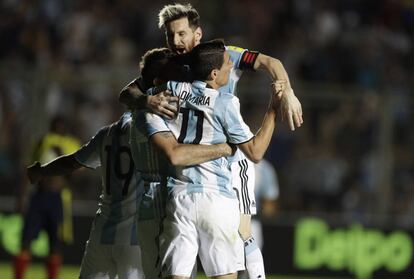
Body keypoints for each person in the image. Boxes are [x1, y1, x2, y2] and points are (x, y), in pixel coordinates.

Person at [119, 4, 302, 278]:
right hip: (189, 174)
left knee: (244, 230)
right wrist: (147, 100)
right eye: (171, 36)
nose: (176, 41)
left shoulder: (224, 55)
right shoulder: (170, 67)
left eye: (182, 34)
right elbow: (127, 92)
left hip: (228, 163)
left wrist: (287, 91)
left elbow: (271, 63)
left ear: (198, 33)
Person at [26, 108, 234, 279]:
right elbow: (179, 157)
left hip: (102, 233)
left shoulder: (106, 134)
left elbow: (72, 162)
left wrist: (42, 171)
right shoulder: (152, 135)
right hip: (136, 237)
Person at [142, 40, 281, 279]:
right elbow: (255, 152)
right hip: (217, 199)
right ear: (214, 73)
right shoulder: (225, 103)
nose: (232, 69)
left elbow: (138, 93)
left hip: (180, 199)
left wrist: (145, 99)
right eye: (228, 65)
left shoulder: (172, 90)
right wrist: (273, 109)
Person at [131, 47, 236, 279]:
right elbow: (176, 154)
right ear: (159, 82)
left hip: (173, 202)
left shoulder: (161, 107)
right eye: (174, 79)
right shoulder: (149, 114)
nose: (180, 85)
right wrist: (223, 148)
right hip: (159, 205)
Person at [14, 116, 81, 279]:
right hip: (39, 196)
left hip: (59, 198)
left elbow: (79, 173)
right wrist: (22, 196)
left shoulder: (73, 144)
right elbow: (29, 168)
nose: (59, 126)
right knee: (26, 240)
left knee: (55, 244)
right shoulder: (43, 140)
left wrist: (63, 155)